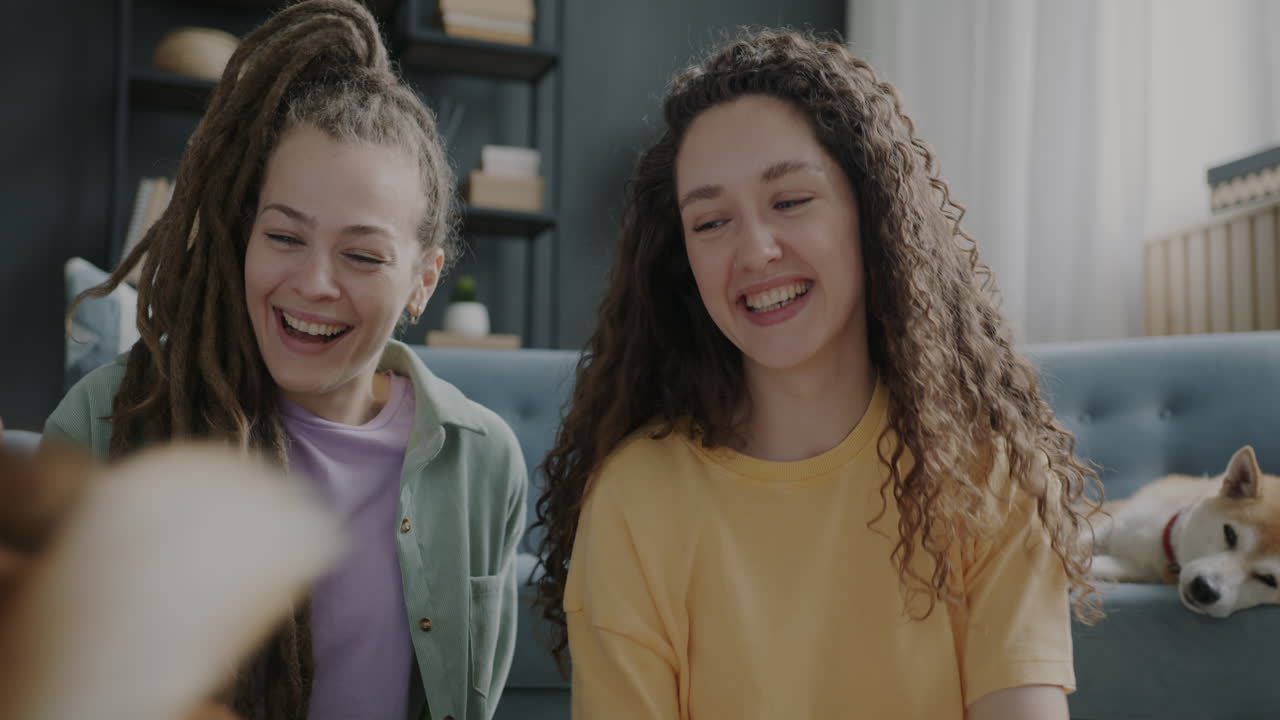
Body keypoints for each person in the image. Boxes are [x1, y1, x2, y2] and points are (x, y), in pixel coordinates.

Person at [533, 29, 1100, 720]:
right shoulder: (634, 500)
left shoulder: (990, 472)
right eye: (710, 222)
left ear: (873, 214)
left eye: (791, 201)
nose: (756, 250)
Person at [43, 3, 526, 719]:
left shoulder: (485, 463)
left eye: (362, 255)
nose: (313, 284)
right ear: (245, 235)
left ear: (424, 281)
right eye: (284, 237)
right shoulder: (112, 415)